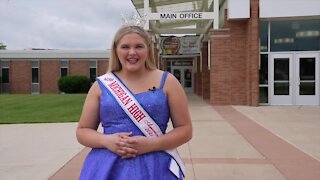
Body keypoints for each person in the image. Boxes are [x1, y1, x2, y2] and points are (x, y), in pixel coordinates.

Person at [76, 25, 192, 180]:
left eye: (139, 46)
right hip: (106, 167)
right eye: (125, 47)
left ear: (148, 49)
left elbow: (185, 130)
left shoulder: (168, 81)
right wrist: (106, 140)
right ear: (116, 50)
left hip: (156, 166)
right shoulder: (101, 85)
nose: (132, 52)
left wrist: (152, 144)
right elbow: (82, 131)